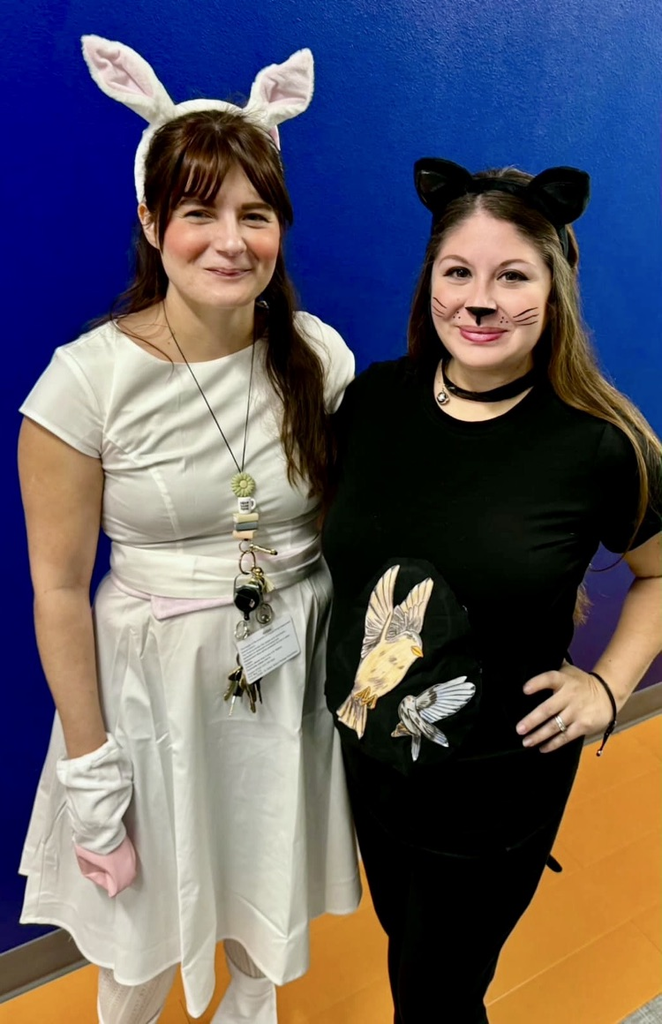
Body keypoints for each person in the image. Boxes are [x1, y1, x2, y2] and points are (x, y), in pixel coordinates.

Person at [18, 36, 360, 1024]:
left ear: (280, 228)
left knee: (263, 919)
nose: (229, 239)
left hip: (284, 670)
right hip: (150, 689)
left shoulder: (314, 355)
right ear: (151, 222)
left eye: (254, 214)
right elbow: (55, 589)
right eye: (199, 211)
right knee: (136, 952)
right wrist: (91, 771)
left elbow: (354, 519)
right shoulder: (82, 384)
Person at [322, 157, 661, 1023]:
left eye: (512, 275)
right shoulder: (371, 403)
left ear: (554, 292)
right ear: (429, 280)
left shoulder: (597, 445)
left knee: (436, 992)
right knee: (415, 954)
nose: (480, 300)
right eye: (458, 272)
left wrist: (609, 685)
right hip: (374, 767)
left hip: (493, 791)